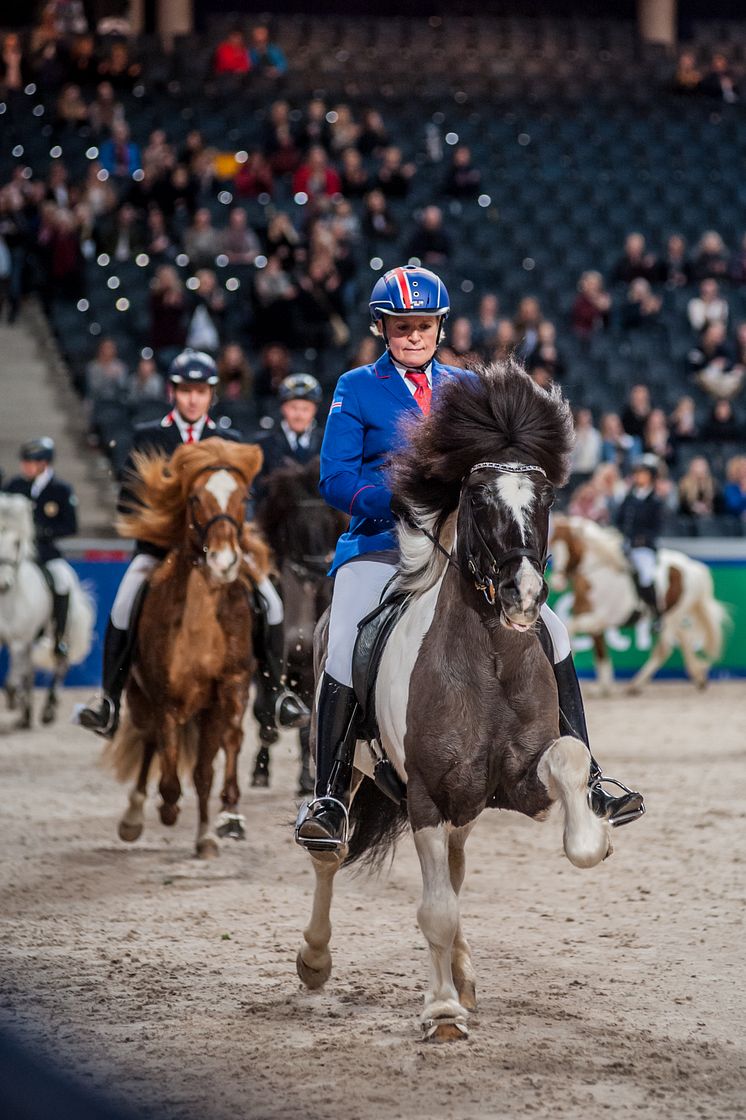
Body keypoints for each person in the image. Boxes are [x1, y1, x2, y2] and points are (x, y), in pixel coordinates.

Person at [295, 266, 644, 852]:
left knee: (551, 629)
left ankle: (594, 779)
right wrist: (400, 500)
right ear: (382, 328)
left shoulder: (464, 389)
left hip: (462, 548)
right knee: (345, 639)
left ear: (439, 327)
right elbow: (334, 480)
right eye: (401, 326)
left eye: (423, 326)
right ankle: (329, 793)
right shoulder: (355, 387)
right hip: (380, 543)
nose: (413, 336)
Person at [78, 350, 308, 738]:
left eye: (200, 391)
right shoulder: (149, 435)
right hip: (160, 551)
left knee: (269, 599)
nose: (192, 399)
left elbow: (239, 501)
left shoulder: (228, 440)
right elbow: (129, 501)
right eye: (186, 391)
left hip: (218, 552)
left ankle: (274, 695)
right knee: (123, 603)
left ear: (210, 395)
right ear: (173, 392)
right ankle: (109, 700)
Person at [4, 438, 78, 658]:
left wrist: (44, 532)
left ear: (44, 464)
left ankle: (59, 636)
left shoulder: (61, 490)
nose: (24, 466)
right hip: (16, 554)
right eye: (25, 461)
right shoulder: (14, 486)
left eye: (31, 462)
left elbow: (70, 525)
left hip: (45, 552)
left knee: (62, 581)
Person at [616, 454, 664, 623]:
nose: (639, 476)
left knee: (645, 575)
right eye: (637, 473)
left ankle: (656, 612)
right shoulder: (629, 498)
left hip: (644, 547)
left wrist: (642, 538)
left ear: (650, 476)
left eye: (643, 473)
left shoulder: (655, 501)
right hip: (626, 543)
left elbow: (657, 527)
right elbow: (619, 520)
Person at [255, 374, 323, 490]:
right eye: (293, 408)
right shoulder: (263, 444)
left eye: (305, 409)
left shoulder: (327, 442)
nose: (299, 415)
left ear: (314, 410)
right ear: (283, 408)